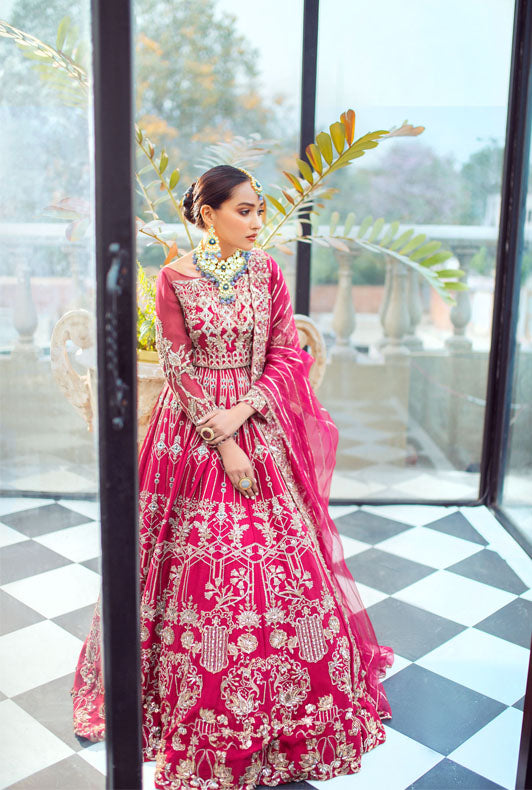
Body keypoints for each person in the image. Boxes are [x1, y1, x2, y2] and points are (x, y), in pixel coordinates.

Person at [71, 164, 394, 789]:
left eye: (259, 209)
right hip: (189, 433)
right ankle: (186, 706)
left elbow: (283, 353)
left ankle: (287, 709)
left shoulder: (268, 273)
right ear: (209, 212)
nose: (256, 222)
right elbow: (177, 360)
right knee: (188, 575)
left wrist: (243, 414)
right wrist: (222, 441)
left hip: (256, 420)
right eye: (243, 210)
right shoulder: (175, 278)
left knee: (280, 573)